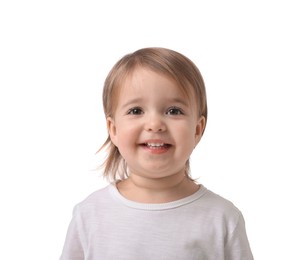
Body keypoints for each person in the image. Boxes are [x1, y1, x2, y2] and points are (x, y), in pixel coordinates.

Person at [60, 47, 254, 260]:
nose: (154, 124)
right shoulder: (90, 215)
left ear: (197, 130)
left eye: (174, 111)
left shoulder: (222, 218)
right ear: (113, 129)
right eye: (136, 111)